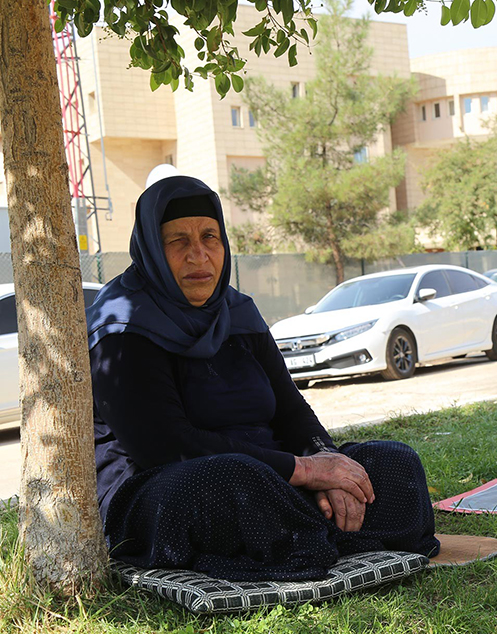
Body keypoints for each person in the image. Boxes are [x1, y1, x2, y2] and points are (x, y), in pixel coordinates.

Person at [86, 175, 440, 581]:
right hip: (165, 486)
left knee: (394, 461)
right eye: (177, 241)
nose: (199, 255)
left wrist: (328, 462)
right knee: (231, 477)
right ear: (150, 247)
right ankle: (318, 538)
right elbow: (165, 445)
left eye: (210, 237)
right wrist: (304, 471)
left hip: (273, 476)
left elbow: (291, 409)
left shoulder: (238, 312)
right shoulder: (121, 325)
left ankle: (304, 539)